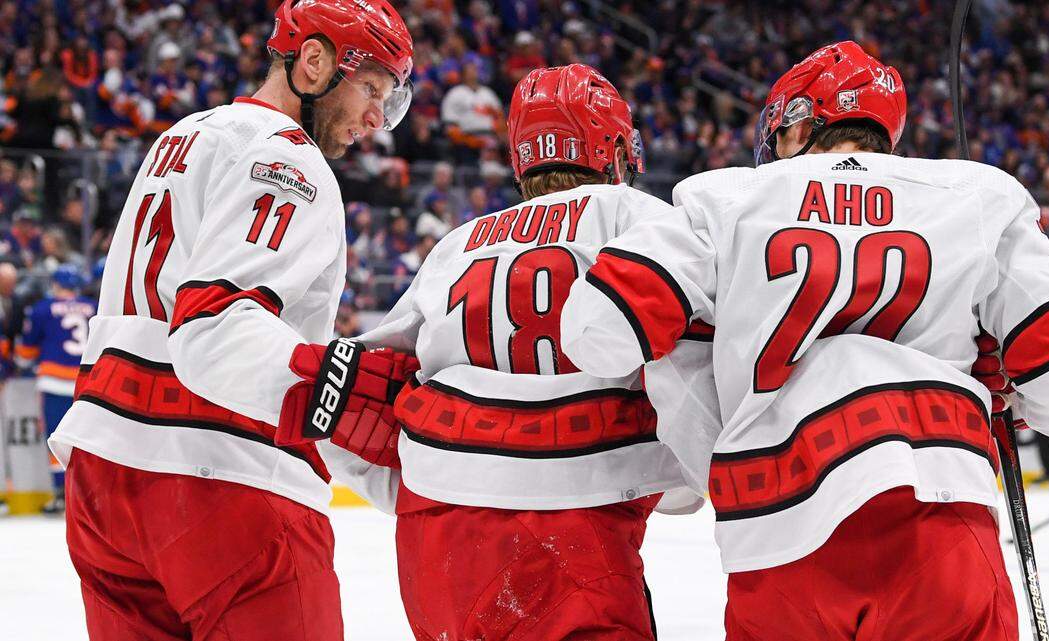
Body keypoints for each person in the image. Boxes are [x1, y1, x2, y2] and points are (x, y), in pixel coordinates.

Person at [561, 41, 1049, 639]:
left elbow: (597, 333)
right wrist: (1008, 386)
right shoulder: (979, 194)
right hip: (938, 510)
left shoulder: (721, 198)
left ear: (801, 122)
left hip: (775, 534)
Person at [46, 2, 417, 639]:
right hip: (222, 483)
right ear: (314, 61)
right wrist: (342, 389)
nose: (377, 119)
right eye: (371, 89)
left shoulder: (181, 136)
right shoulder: (289, 160)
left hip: (104, 481)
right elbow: (213, 325)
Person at [357, 63, 711, 641]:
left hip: (437, 531)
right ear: (614, 148)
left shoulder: (458, 242)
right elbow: (699, 363)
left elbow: (366, 379)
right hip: (579, 516)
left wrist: (410, 487)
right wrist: (694, 479)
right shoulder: (640, 219)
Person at [15, 265, 95, 513]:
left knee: (56, 438)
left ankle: (62, 495)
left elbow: (26, 352)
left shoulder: (42, 308)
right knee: (88, 441)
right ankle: (91, 497)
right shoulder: (94, 306)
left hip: (54, 381)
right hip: (88, 382)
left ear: (56, 284)